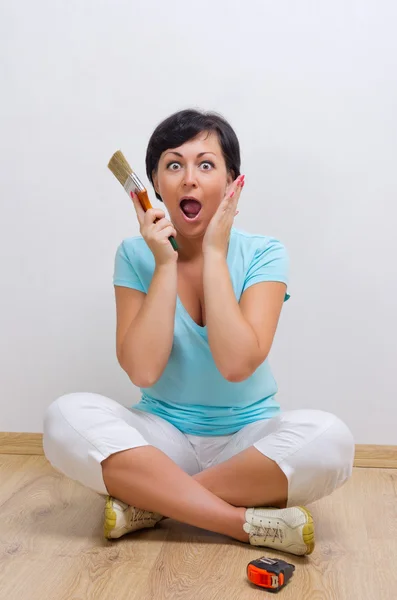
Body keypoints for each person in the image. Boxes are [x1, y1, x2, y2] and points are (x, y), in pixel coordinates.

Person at [43, 109, 355, 556]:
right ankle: (234, 521)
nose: (189, 178)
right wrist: (165, 263)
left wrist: (214, 254)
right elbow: (143, 370)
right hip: (161, 440)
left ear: (232, 183)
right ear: (154, 184)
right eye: (174, 165)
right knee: (63, 416)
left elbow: (236, 364)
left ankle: (151, 505)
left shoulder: (265, 253)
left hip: (249, 443)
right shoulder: (135, 254)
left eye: (206, 164)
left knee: (331, 439)